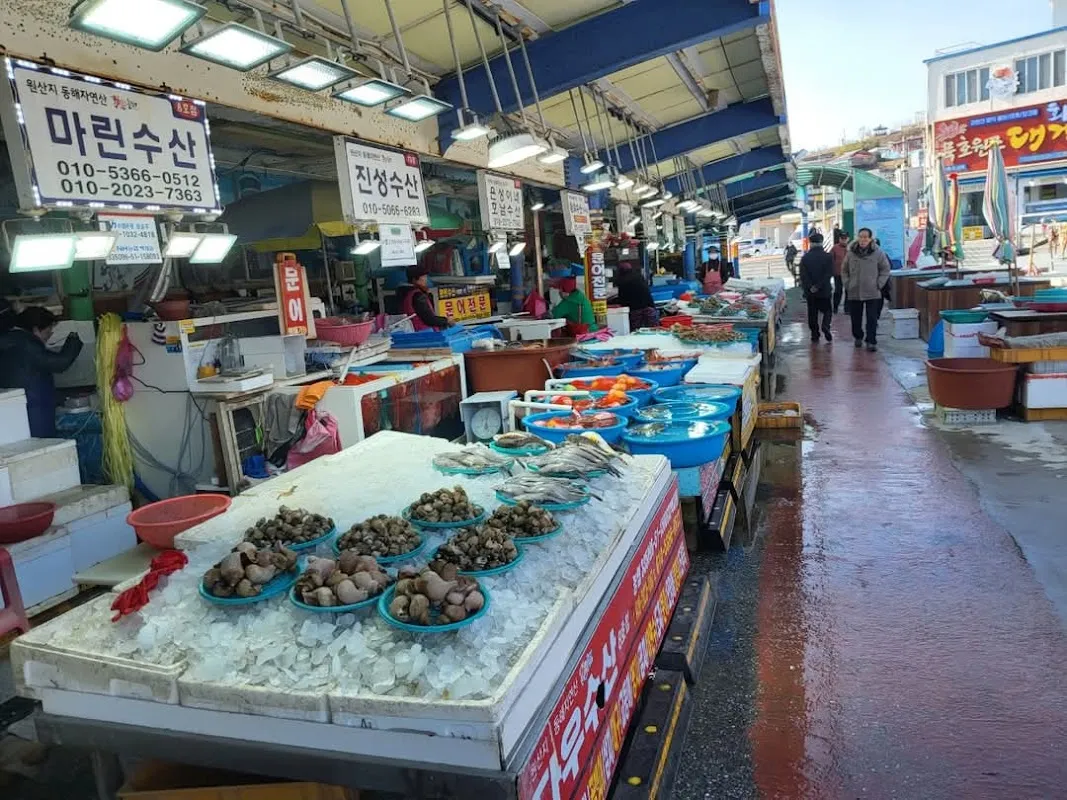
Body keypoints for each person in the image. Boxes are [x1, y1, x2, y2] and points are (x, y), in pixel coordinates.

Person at [0, 307, 82, 438]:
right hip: (34, 408)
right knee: (42, 443)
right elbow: (60, 363)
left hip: (18, 407)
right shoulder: (26, 344)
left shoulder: (11, 340)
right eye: (48, 331)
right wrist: (74, 340)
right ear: (36, 329)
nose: (50, 335)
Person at [841, 228, 891, 351]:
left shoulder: (878, 253)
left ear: (870, 239)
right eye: (861, 237)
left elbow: (885, 269)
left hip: (873, 291)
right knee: (855, 318)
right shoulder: (851, 253)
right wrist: (847, 284)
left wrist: (879, 284)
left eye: (865, 237)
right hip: (854, 290)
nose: (863, 240)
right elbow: (844, 270)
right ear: (857, 237)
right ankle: (858, 336)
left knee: (872, 318)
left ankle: (871, 341)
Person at [798, 232, 834, 342]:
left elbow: (803, 275)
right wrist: (819, 285)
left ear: (811, 243)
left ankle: (815, 334)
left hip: (810, 292)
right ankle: (826, 325)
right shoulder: (828, 257)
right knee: (827, 310)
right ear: (821, 242)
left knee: (812, 313)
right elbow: (829, 273)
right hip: (824, 290)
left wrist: (811, 287)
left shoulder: (805, 258)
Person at [397, 264, 452, 331]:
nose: (426, 279)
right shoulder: (417, 295)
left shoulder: (405, 293)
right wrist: (446, 320)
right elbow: (429, 319)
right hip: (423, 333)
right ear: (414, 280)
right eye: (423, 277)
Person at [615, 262, 659, 330]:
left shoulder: (621, 280)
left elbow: (622, 299)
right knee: (654, 330)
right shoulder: (639, 276)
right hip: (649, 308)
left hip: (635, 311)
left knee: (636, 331)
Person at [830, 230, 849, 314]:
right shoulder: (835, 248)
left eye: (845, 238)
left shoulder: (851, 248)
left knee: (848, 291)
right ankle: (835, 308)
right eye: (842, 238)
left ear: (848, 239)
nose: (843, 240)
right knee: (838, 291)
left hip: (849, 274)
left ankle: (847, 309)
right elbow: (830, 260)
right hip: (838, 273)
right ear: (839, 239)